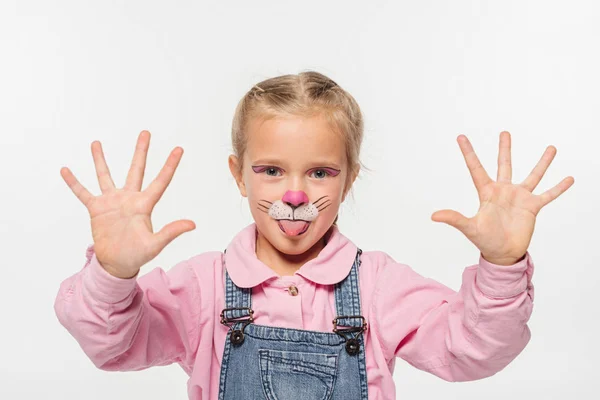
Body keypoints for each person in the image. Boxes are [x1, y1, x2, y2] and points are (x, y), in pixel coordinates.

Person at [54, 71, 574, 400]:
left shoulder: (378, 285)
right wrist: (113, 273)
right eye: (271, 170)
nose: (296, 195)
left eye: (321, 172)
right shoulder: (204, 286)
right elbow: (110, 347)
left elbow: (473, 352)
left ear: (349, 179)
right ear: (239, 174)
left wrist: (502, 268)